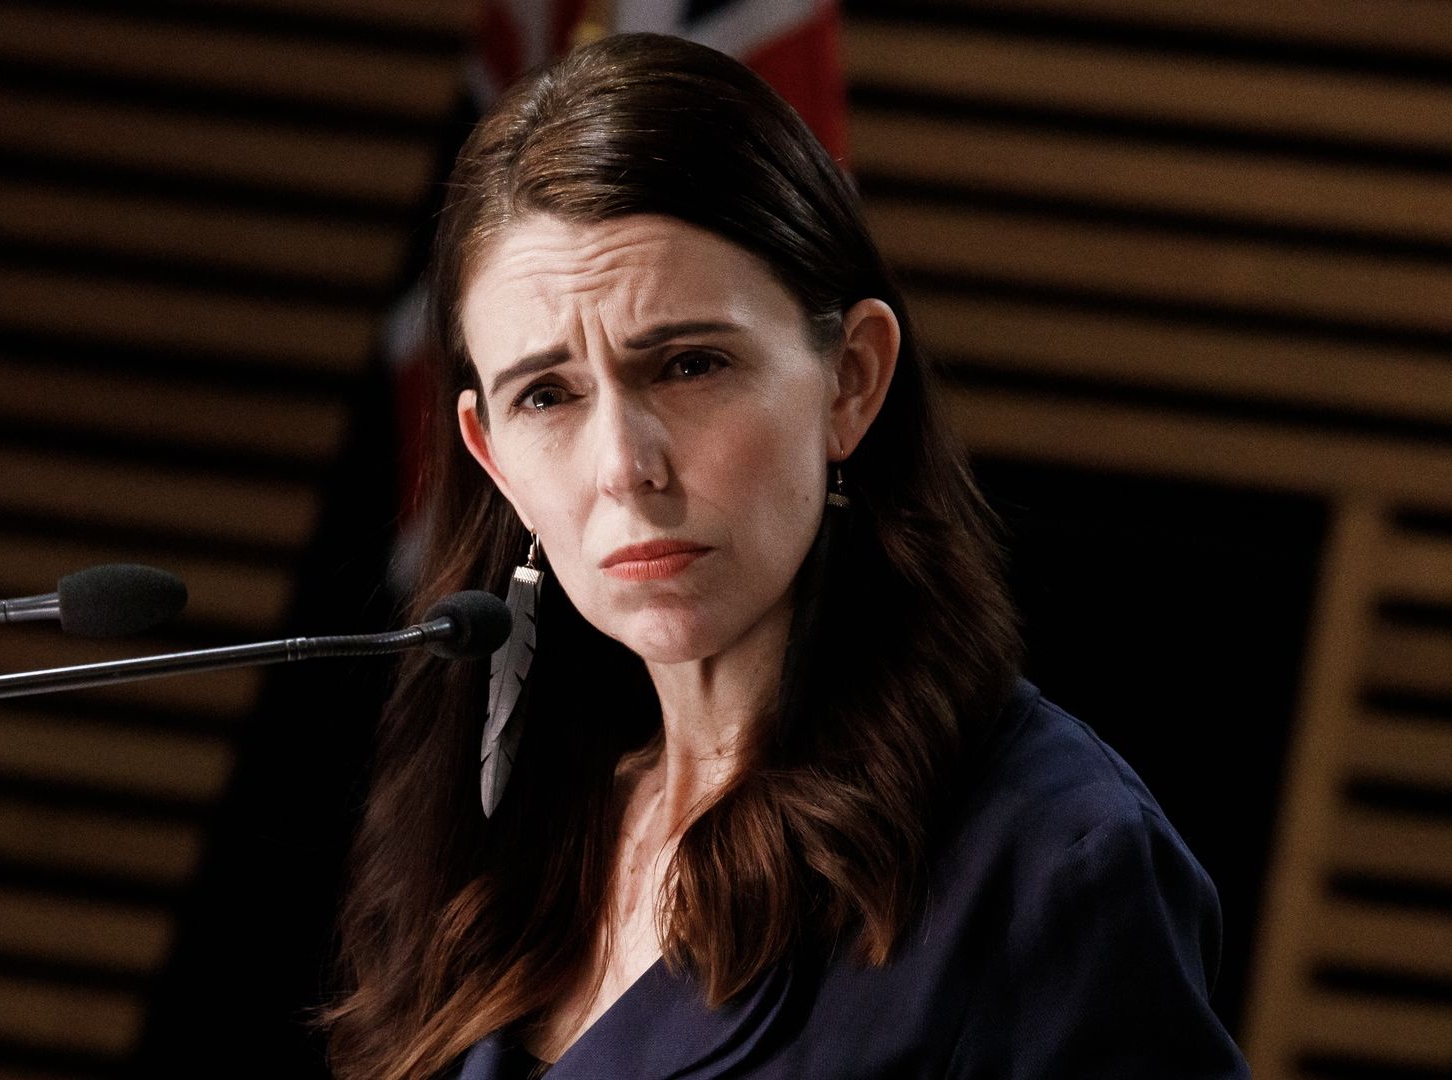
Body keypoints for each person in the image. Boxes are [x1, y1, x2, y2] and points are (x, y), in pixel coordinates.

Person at [323, 32, 1249, 1080]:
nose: (625, 465)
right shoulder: (499, 823)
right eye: (547, 394)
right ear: (489, 452)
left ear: (851, 380)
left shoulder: (1050, 864)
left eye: (689, 364)